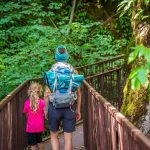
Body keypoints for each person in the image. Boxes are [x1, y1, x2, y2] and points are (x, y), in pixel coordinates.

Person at [44, 45, 82, 150]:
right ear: (67, 56)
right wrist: (78, 109)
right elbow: (79, 94)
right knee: (68, 138)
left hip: (54, 107)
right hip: (69, 108)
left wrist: (46, 109)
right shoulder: (73, 71)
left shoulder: (51, 72)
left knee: (53, 135)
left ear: (56, 56)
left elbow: (46, 94)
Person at [23, 82, 45, 150]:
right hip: (40, 126)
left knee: (33, 145)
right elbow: (44, 113)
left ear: (29, 91)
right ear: (39, 91)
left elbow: (26, 114)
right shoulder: (42, 102)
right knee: (40, 141)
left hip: (31, 128)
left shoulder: (26, 103)